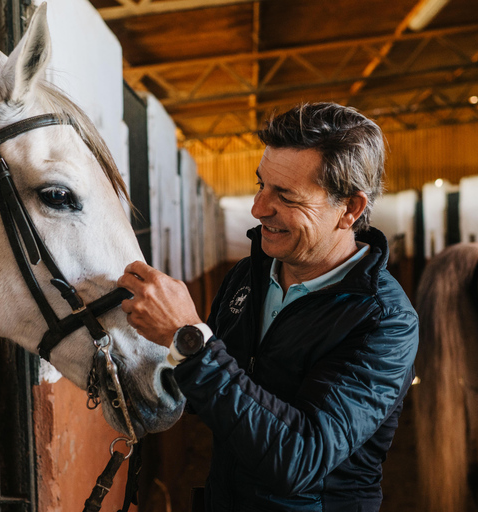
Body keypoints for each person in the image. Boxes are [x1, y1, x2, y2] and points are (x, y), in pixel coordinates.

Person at [117, 103, 419, 512]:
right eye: (261, 184)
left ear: (350, 209)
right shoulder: (249, 274)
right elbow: (214, 388)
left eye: (286, 195)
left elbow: (300, 458)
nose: (258, 208)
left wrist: (188, 338)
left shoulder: (384, 321)